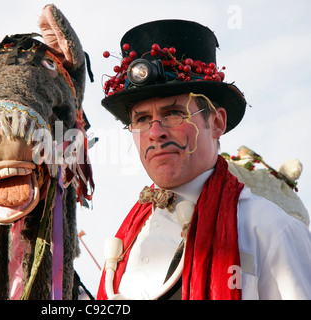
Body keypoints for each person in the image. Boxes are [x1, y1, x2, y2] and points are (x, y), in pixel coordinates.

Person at [96, 19, 311, 300]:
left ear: (217, 122)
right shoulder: (127, 240)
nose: (155, 133)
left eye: (173, 113)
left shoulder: (270, 231)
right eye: (143, 119)